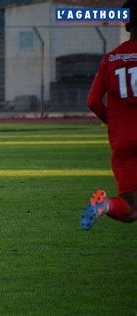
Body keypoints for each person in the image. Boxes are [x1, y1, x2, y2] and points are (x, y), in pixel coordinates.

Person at [80, 0, 137, 229]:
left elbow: (93, 101)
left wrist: (114, 123)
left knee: (132, 210)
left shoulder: (111, 58)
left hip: (122, 140)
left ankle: (105, 206)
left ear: (126, 25)